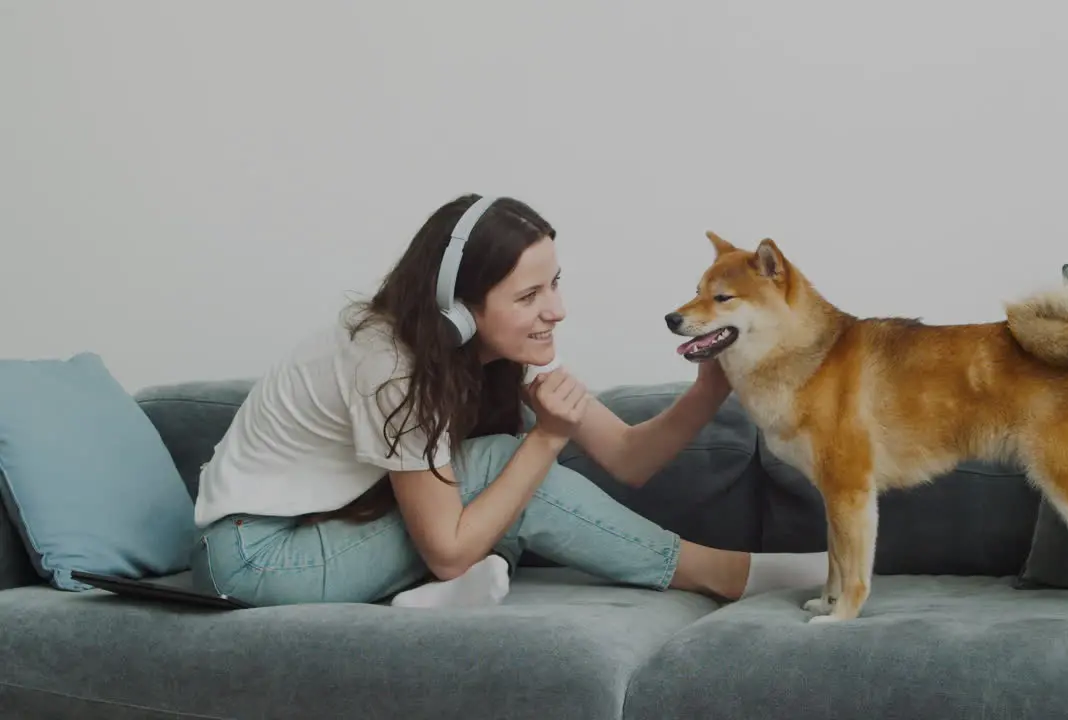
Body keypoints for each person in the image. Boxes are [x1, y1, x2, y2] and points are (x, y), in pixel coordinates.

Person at [189, 193, 828, 609]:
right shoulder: (388, 365)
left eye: (554, 283)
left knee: (500, 476)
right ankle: (725, 574)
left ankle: (435, 599)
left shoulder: (497, 352)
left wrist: (710, 386)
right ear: (457, 308)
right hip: (255, 558)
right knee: (504, 465)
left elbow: (631, 457)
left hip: (336, 534)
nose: (557, 309)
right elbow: (447, 544)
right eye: (529, 297)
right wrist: (546, 437)